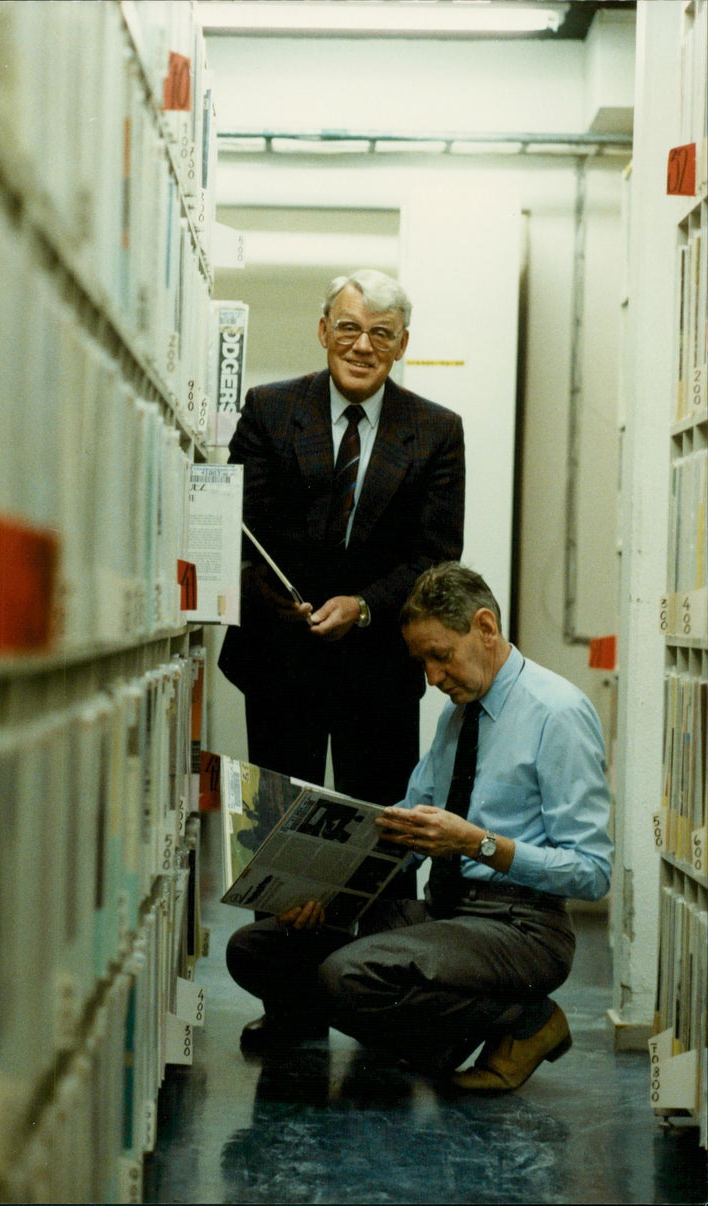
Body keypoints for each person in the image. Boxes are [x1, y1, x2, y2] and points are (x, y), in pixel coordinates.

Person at [225, 563, 614, 1090]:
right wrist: (323, 890)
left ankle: (525, 1020)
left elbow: (592, 873)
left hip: (522, 928)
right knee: (257, 950)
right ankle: (441, 1037)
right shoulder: (457, 716)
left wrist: (476, 843)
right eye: (422, 661)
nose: (431, 678)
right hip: (446, 913)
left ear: (485, 627)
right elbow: (403, 830)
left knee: (347, 976)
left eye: (440, 655)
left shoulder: (558, 714)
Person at [218, 268, 465, 810]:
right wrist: (280, 606)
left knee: (382, 840)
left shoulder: (437, 430)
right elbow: (236, 533)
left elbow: (436, 556)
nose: (362, 346)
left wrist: (364, 607)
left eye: (381, 333)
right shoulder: (270, 410)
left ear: (402, 345)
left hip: (380, 674)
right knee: (278, 837)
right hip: (280, 661)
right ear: (323, 331)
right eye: (349, 328)